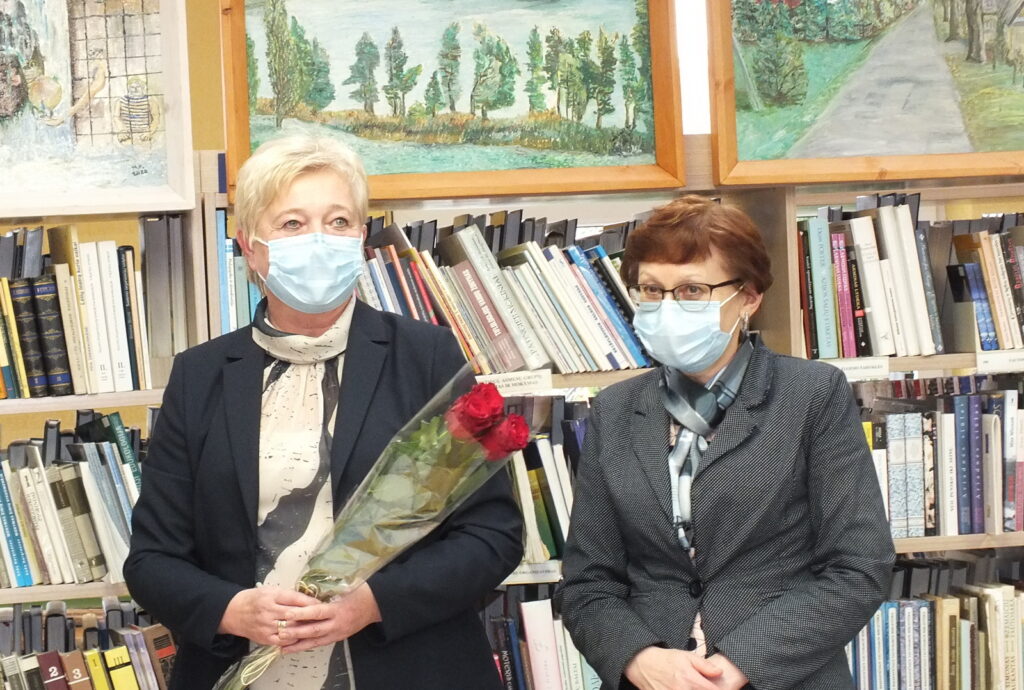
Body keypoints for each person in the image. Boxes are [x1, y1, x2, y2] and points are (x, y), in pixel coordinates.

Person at [124, 135, 524, 690]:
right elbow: (152, 560)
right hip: (244, 673)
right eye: (292, 223)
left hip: (410, 668)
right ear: (250, 249)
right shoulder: (199, 376)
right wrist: (233, 609)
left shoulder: (426, 355)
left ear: (361, 239)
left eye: (338, 221)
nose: (319, 239)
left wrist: (372, 603)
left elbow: (493, 534)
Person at [554, 195, 894, 690]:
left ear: (749, 296)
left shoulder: (811, 395)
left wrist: (737, 665)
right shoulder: (616, 409)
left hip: (781, 675)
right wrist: (640, 658)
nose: (667, 307)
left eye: (692, 289)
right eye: (651, 289)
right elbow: (588, 581)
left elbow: (859, 565)